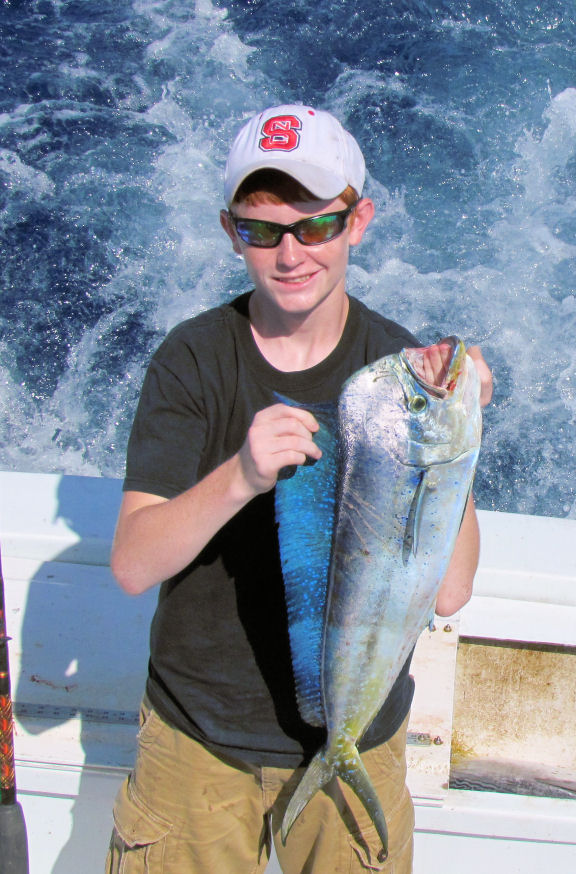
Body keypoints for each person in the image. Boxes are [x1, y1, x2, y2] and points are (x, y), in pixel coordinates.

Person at [105, 104, 492, 874]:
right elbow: (133, 564)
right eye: (262, 230)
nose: (290, 253)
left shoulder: (399, 367)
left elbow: (449, 592)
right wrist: (240, 478)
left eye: (315, 226)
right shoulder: (193, 360)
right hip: (198, 742)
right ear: (230, 232)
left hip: (358, 739)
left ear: (358, 222)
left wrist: (458, 432)